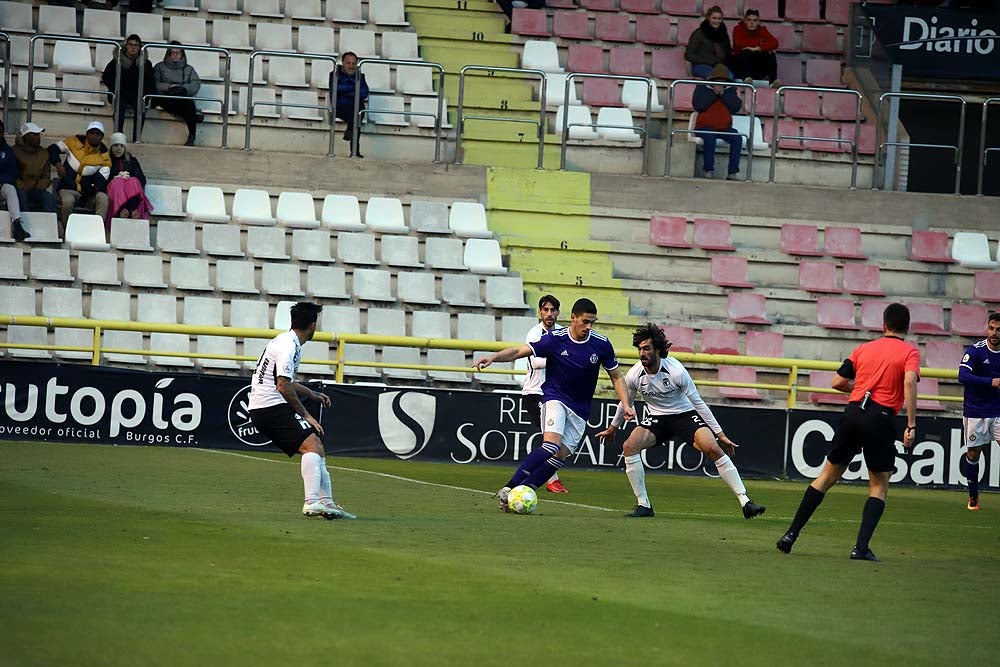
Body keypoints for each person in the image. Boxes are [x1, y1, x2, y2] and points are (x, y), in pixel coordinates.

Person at [777, 303, 919, 562]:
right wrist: (911, 423)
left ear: (883, 325)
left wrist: (862, 388)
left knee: (826, 477)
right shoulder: (909, 352)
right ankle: (860, 548)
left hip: (853, 413)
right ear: (907, 328)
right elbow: (909, 381)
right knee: (878, 485)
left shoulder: (863, 349)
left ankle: (791, 534)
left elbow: (837, 381)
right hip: (881, 417)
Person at [473, 298, 635, 511]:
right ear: (574, 318)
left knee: (560, 456)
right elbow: (520, 351)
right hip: (554, 398)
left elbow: (616, 377)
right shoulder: (555, 339)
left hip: (580, 409)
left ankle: (523, 491)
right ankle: (509, 487)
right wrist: (494, 357)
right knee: (550, 446)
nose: (589, 327)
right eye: (585, 321)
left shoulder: (601, 344)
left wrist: (626, 403)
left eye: (592, 322)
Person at [595, 323, 766, 519]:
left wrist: (720, 434)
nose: (642, 353)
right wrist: (612, 428)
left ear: (658, 349)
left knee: (712, 448)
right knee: (629, 446)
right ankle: (644, 505)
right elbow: (626, 401)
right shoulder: (635, 374)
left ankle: (745, 501)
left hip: (685, 415)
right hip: (657, 418)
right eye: (640, 349)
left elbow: (699, 404)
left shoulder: (676, 371)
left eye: (647, 348)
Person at [248, 301, 356, 520]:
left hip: (265, 405)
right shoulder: (288, 345)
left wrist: (311, 394)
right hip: (268, 406)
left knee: (316, 447)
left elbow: (287, 381)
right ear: (313, 325)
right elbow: (282, 386)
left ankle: (326, 504)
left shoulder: (288, 341)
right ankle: (312, 502)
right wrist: (307, 415)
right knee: (312, 447)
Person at [522, 294, 569, 494]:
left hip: (556, 393)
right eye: (545, 310)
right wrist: (562, 359)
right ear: (540, 312)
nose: (549, 314)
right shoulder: (534, 334)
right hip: (535, 393)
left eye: (553, 310)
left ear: (558, 312)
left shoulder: (563, 333)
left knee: (555, 439)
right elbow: (534, 361)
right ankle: (550, 479)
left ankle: (538, 475)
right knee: (550, 440)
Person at [957, 311, 1000, 511]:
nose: (994, 333)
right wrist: (991, 382)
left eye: (999, 329)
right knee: (973, 454)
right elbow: (963, 376)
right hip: (975, 410)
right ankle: (973, 495)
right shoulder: (975, 350)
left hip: (998, 411)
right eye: (991, 328)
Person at [50, 120, 111, 233]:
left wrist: (85, 190)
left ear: (102, 137)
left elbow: (100, 182)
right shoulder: (74, 141)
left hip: (88, 194)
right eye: (92, 133)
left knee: (103, 198)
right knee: (67, 201)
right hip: (68, 189)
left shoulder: (105, 156)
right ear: (87, 134)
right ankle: (68, 232)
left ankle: (97, 233)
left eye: (98, 134)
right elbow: (52, 149)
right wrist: (58, 165)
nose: (94, 136)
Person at [693, 64, 743, 180]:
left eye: (723, 80)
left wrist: (723, 94)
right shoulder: (702, 87)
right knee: (710, 136)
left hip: (724, 127)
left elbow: (735, 107)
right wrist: (714, 94)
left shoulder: (730, 89)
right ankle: (708, 170)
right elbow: (699, 106)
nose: (720, 82)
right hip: (704, 126)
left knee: (737, 138)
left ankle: (732, 172)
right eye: (717, 80)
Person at [101, 34, 156, 134]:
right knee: (119, 107)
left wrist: (145, 96)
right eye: (130, 44)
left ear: (140, 47)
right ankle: (118, 136)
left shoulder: (146, 63)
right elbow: (106, 77)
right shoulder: (117, 60)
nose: (133, 47)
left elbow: (150, 82)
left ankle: (137, 137)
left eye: (136, 45)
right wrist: (115, 89)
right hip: (120, 93)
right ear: (126, 46)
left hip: (137, 94)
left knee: (141, 108)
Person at [153, 42, 203, 146]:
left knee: (188, 104)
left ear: (182, 54)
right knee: (186, 108)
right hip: (165, 96)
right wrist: (168, 87)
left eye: (178, 52)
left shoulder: (189, 69)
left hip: (182, 96)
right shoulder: (159, 67)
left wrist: (184, 89)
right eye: (172, 52)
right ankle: (193, 117)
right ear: (168, 54)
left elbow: (196, 84)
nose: (175, 55)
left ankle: (192, 135)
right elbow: (153, 83)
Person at [14, 122, 58, 226]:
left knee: (49, 198)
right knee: (21, 197)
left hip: (37, 188)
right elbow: (12, 174)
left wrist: (41, 185)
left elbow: (46, 176)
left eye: (39, 134)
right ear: (26, 137)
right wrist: (20, 185)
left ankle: (48, 227)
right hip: (21, 188)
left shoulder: (44, 153)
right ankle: (24, 226)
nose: (39, 137)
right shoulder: (14, 152)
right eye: (35, 134)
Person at [105, 133, 152, 227]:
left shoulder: (132, 161)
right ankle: (122, 210)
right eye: (116, 145)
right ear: (111, 147)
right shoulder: (106, 160)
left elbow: (141, 179)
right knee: (118, 182)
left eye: (121, 146)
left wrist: (128, 180)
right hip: (114, 192)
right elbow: (102, 180)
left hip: (131, 195)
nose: (119, 148)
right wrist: (114, 178)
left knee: (133, 181)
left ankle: (133, 209)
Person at [329, 52, 369, 158]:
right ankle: (355, 151)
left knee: (359, 112)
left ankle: (353, 144)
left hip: (355, 107)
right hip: (340, 107)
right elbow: (336, 89)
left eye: (353, 63)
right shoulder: (334, 74)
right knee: (356, 118)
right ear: (343, 63)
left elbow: (364, 93)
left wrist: (346, 91)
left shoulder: (360, 76)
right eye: (348, 63)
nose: (351, 66)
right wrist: (354, 87)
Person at [731, 9, 779, 86]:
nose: (752, 23)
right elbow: (740, 43)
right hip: (741, 66)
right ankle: (747, 78)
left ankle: (773, 81)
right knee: (746, 52)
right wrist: (760, 45)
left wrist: (759, 48)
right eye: (749, 20)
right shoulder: (738, 29)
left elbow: (775, 43)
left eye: (754, 20)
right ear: (745, 21)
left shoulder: (762, 30)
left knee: (770, 53)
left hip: (756, 65)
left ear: (758, 22)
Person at [685, 5, 734, 80]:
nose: (717, 21)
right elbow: (688, 54)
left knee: (730, 76)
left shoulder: (724, 35)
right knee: (715, 77)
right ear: (708, 18)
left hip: (719, 66)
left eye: (719, 19)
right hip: (700, 65)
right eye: (714, 18)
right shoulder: (699, 33)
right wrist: (708, 61)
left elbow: (728, 55)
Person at [0, 118, 27, 241]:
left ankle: (16, 224)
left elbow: (12, 172)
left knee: (10, 189)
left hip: (1, 185)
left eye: (1, 132)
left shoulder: (7, 150)